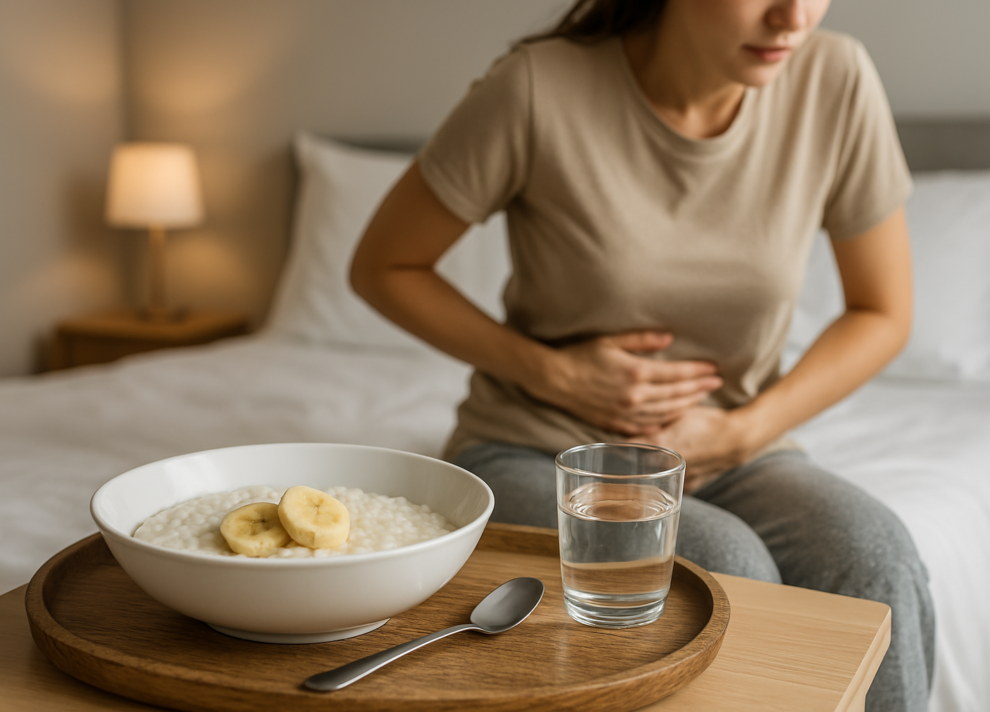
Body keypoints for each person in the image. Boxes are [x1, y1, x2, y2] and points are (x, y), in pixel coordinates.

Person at [349, 1, 935, 710]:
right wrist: (555, 371)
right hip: (541, 450)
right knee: (723, 567)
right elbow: (384, 266)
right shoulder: (536, 88)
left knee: (875, 554)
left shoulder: (835, 78)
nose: (793, 16)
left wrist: (742, 432)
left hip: (734, 448)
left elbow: (884, 310)